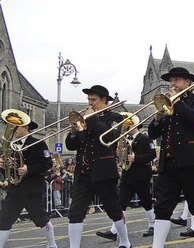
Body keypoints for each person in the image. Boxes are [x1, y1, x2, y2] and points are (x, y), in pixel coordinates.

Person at [148, 67, 194, 248]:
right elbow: (152, 133)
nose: (172, 84)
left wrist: (178, 101)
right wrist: (158, 117)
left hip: (192, 162)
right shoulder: (165, 105)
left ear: (188, 83)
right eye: (171, 80)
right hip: (168, 163)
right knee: (162, 208)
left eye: (176, 80)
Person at [65, 85, 130, 248]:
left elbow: (109, 137)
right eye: (88, 99)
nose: (90, 103)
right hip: (83, 173)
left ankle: (125, 241)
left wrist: (91, 118)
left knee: (113, 209)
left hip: (104, 172)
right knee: (75, 211)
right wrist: (73, 132)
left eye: (93, 100)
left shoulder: (115, 117)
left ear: (104, 100)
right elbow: (72, 146)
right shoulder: (85, 119)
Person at [96, 122, 157, 241]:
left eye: (128, 126)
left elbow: (152, 154)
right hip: (128, 175)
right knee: (121, 203)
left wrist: (136, 158)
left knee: (146, 201)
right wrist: (119, 154)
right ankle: (114, 231)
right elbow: (123, 157)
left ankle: (153, 224)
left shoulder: (144, 138)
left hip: (141, 175)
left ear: (135, 126)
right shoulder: (125, 139)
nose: (126, 128)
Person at [0, 121, 57, 248]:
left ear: (25, 128)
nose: (13, 129)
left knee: (40, 218)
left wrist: (28, 169)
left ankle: (52, 245)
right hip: (15, 189)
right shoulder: (11, 145)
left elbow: (47, 164)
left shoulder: (38, 143)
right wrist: (3, 166)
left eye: (16, 127)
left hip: (32, 189)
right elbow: (10, 169)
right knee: (4, 219)